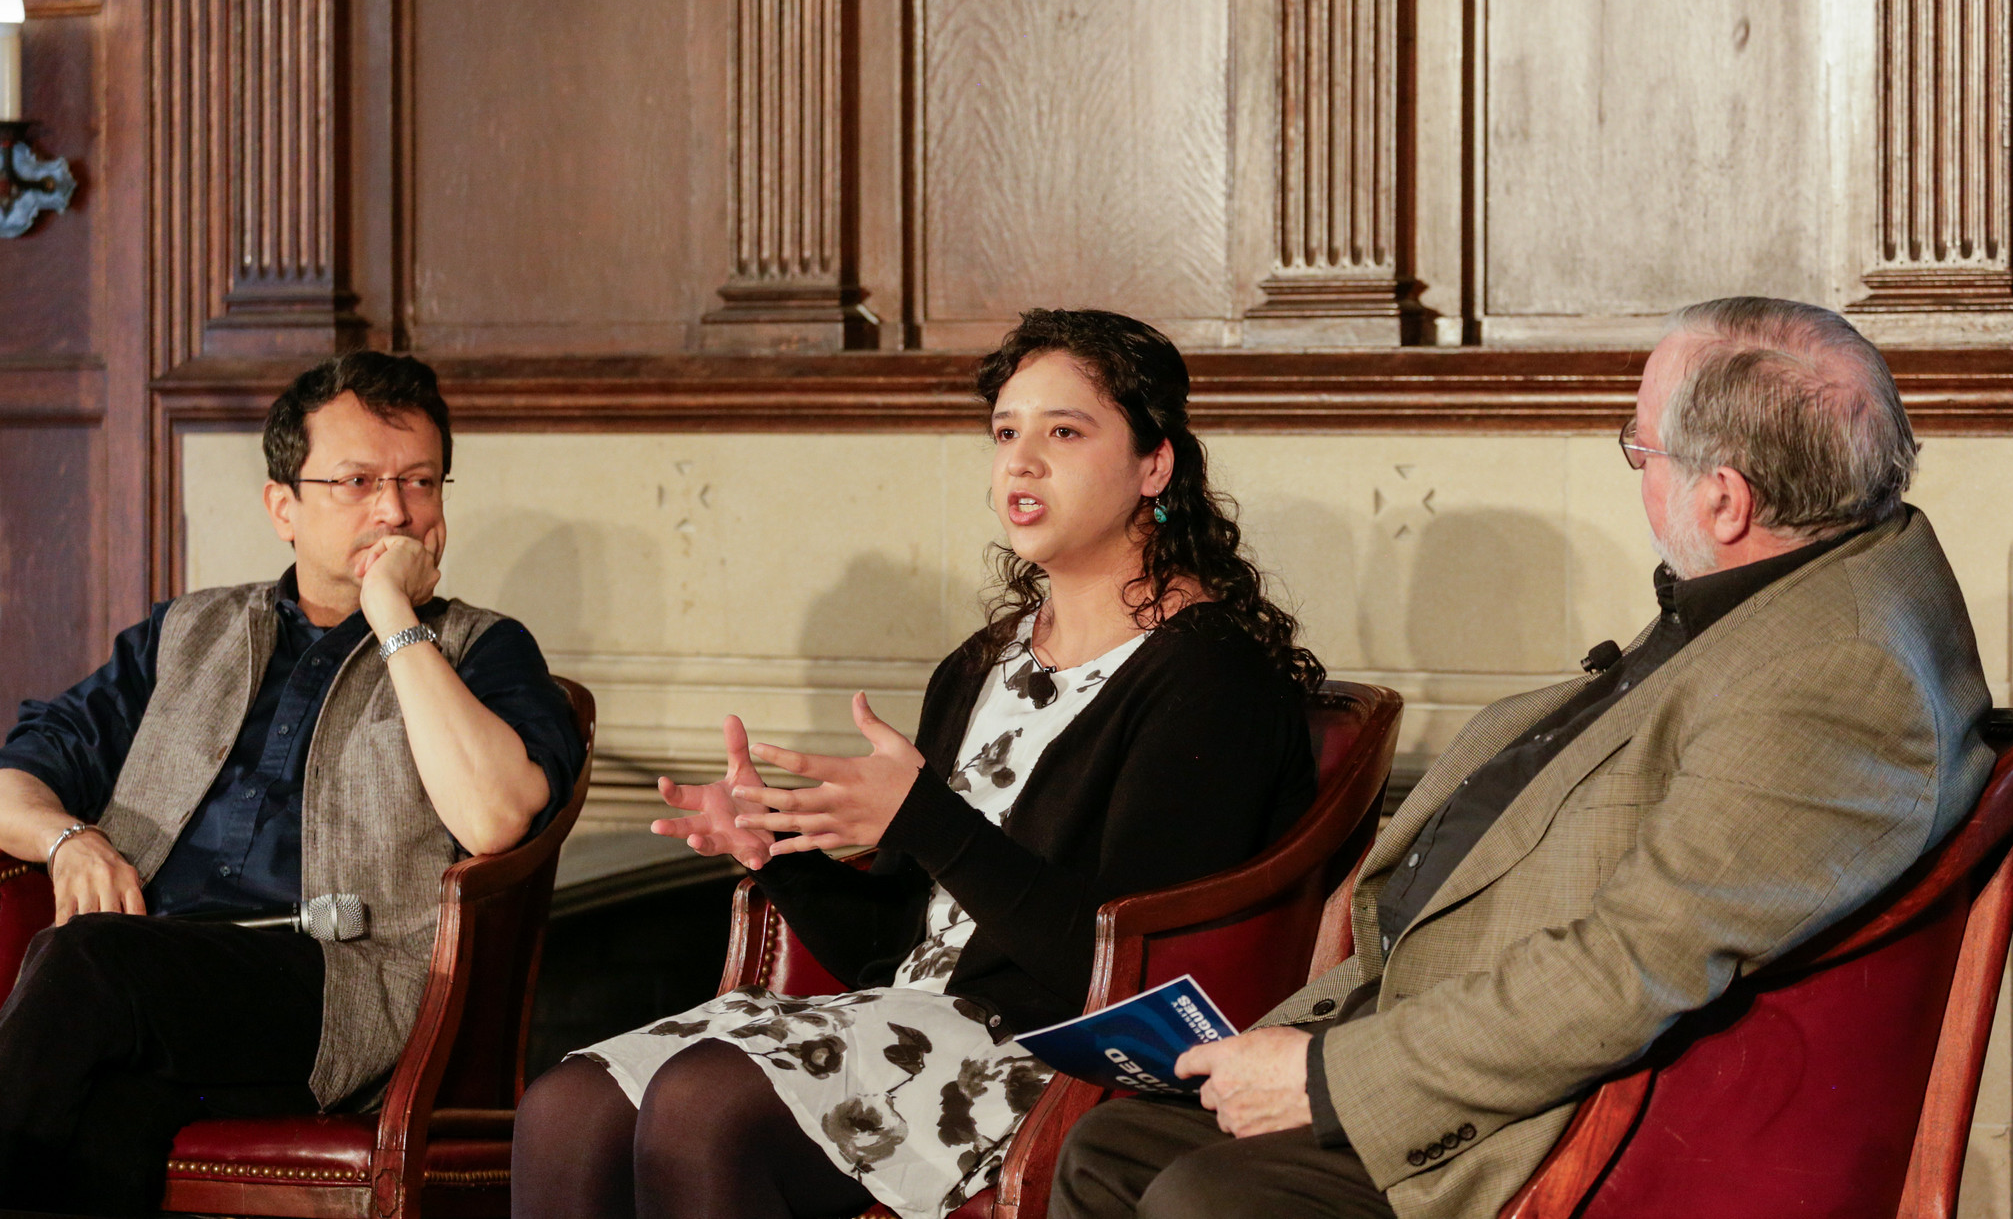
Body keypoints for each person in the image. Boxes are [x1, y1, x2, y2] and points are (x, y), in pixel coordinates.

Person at [1050, 297, 1997, 1219]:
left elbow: (1628, 969)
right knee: (1112, 1148)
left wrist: (1328, 1077)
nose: (1638, 473)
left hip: (1562, 1118)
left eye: (1641, 448)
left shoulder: (1836, 673)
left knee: (1203, 1196)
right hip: (1435, 1014)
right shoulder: (1793, 576)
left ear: (1725, 498)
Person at [510, 309, 1324, 1219]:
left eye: (1064, 431)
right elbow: (895, 949)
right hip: (912, 1021)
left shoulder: (1210, 677)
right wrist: (779, 848)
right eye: (1006, 432)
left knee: (705, 1103)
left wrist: (925, 818)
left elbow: (1116, 971)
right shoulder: (981, 665)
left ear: (1154, 465)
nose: (1020, 461)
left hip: (1050, 1059)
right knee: (565, 1107)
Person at [0, 350, 585, 1216]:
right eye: (356, 481)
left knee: (81, 959)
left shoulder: (481, 649)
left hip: (342, 989)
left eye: (420, 481)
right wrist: (67, 837)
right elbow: (18, 776)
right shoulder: (186, 634)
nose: (395, 510)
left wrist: (391, 614)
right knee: (106, 1117)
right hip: (162, 977)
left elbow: (496, 818)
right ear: (284, 505)